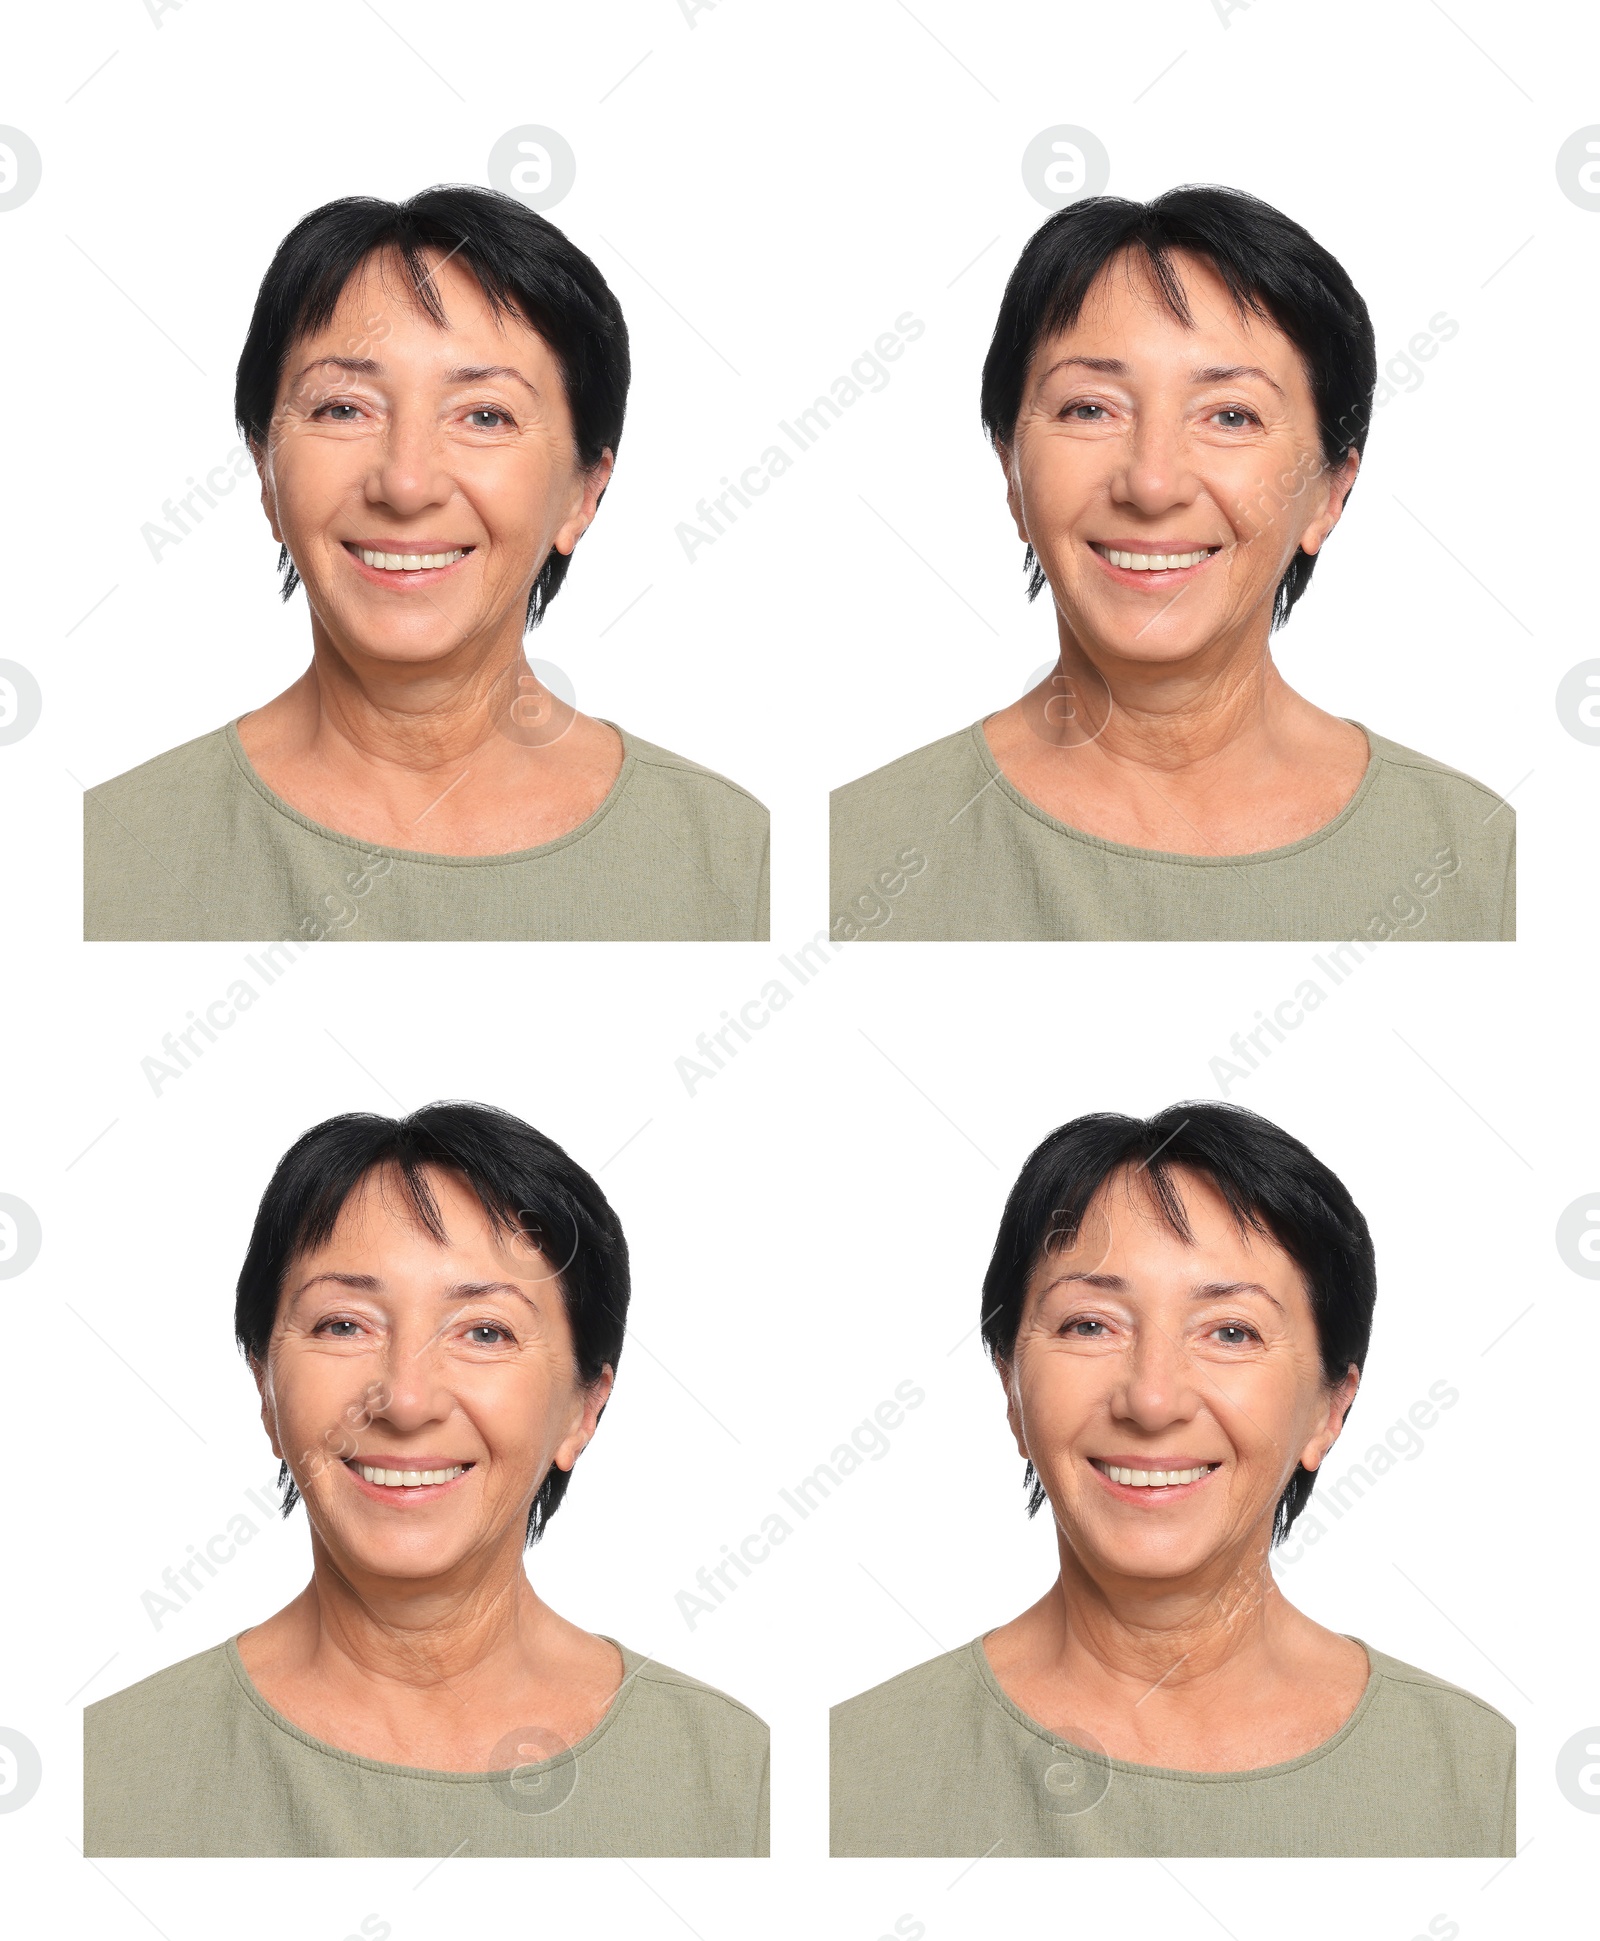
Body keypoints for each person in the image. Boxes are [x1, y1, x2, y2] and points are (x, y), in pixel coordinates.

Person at [830, 187, 1513, 942]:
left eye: (1230, 415)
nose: (1152, 484)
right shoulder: (844, 860)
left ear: (1327, 493)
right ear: (1012, 476)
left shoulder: (1487, 864)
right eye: (1090, 408)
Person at [85, 1103, 769, 1856]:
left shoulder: (738, 1778)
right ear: (266, 1392)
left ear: (584, 1409)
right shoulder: (99, 1780)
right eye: (344, 1323)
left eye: (484, 1330)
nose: (406, 1400)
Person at [830, 1103, 1513, 1856]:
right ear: (1012, 1391)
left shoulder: (1486, 1781)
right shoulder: (837, 1778)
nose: (1153, 1400)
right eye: (1090, 1323)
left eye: (1231, 1331)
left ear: (1329, 1409)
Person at [85, 188, 768, 941]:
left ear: (583, 493)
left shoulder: (738, 861)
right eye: (343, 407)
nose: (406, 484)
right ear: (266, 475)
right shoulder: (96, 859)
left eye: (484, 415)